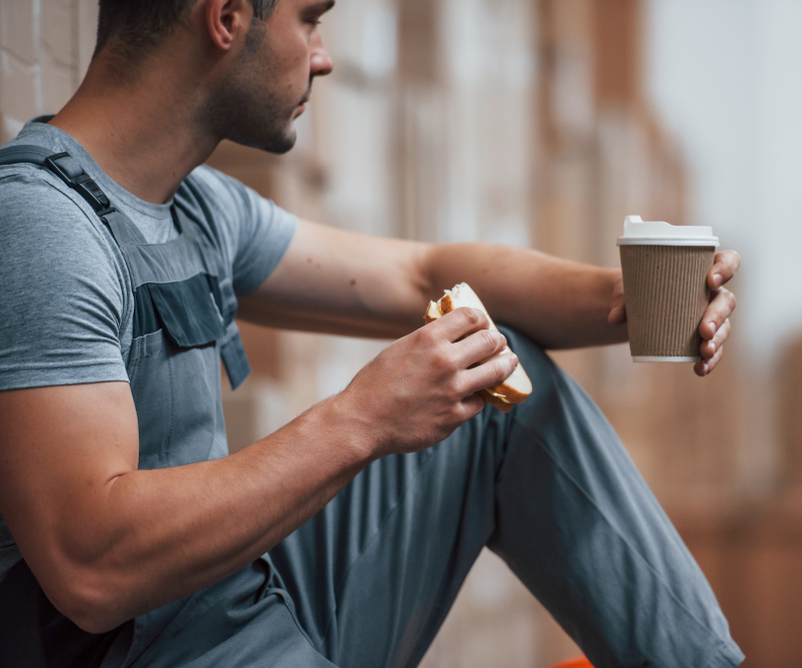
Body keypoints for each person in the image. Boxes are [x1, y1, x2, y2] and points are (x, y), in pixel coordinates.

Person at [0, 1, 743, 666]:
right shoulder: (43, 229)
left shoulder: (196, 208)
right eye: (311, 19)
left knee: (500, 386)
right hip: (157, 650)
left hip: (240, 601)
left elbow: (424, 277)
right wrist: (366, 418)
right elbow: (89, 566)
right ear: (226, 17)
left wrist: (627, 297)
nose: (323, 56)